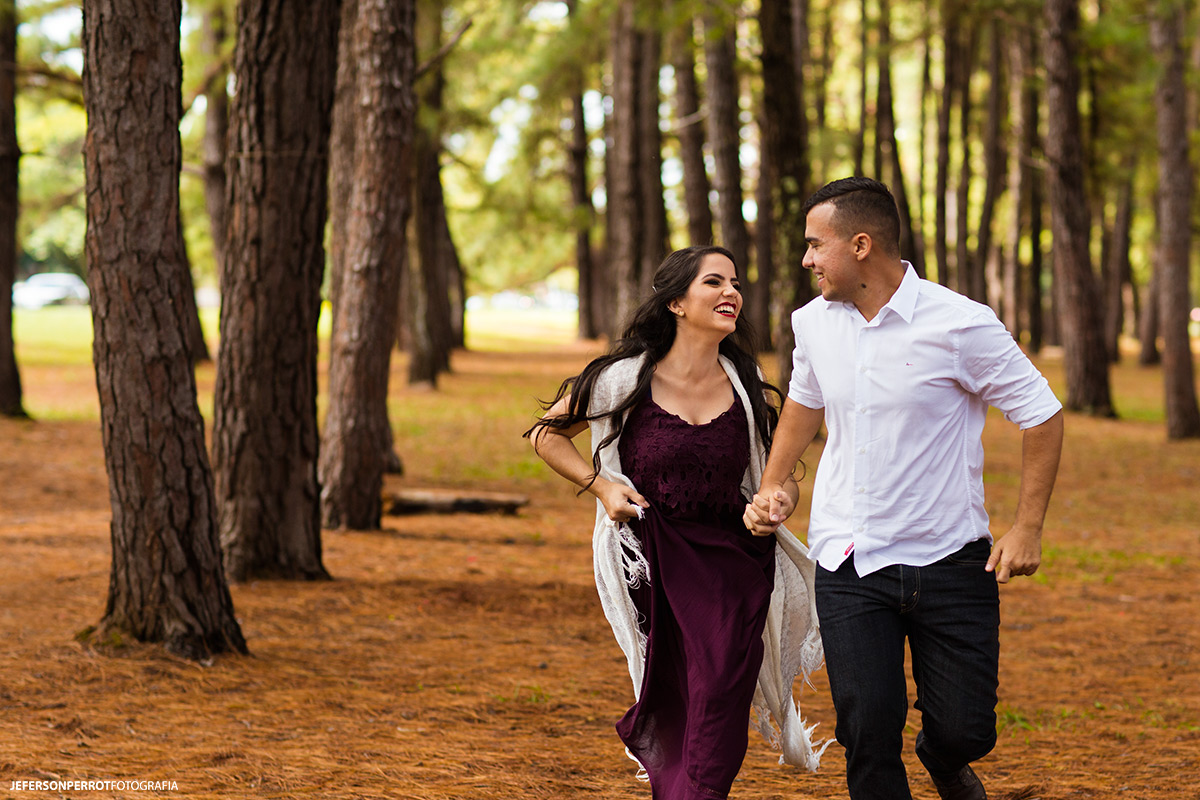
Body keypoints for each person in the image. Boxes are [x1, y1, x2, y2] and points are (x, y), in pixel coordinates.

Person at [744, 177, 1064, 800]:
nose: (806, 259)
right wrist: (775, 483)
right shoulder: (811, 324)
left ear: (860, 245)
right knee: (866, 731)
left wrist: (1027, 528)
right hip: (847, 560)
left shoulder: (961, 324)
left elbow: (1042, 414)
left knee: (966, 730)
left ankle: (943, 757)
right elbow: (806, 403)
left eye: (816, 245)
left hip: (951, 559)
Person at [526, 245, 827, 799]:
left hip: (736, 566)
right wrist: (600, 485)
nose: (731, 292)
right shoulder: (621, 380)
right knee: (676, 697)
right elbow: (545, 435)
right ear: (676, 304)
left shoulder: (744, 383)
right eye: (714, 282)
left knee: (719, 697)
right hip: (654, 560)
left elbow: (778, 475)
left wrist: (778, 500)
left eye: (735, 282)